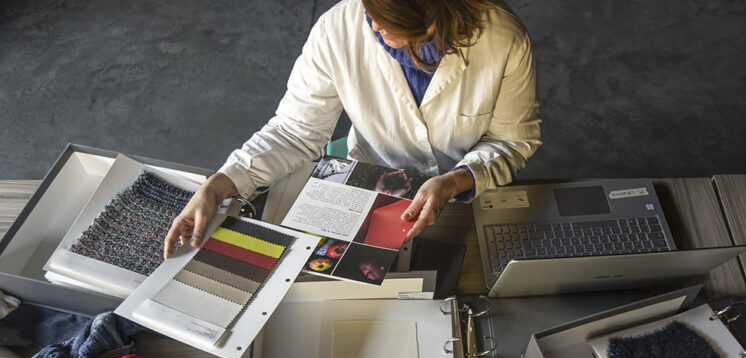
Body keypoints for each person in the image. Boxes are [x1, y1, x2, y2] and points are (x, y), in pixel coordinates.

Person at [164, 0, 541, 259]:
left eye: (391, 20)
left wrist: (457, 181)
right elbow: (296, 131)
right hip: (370, 185)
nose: (374, 26)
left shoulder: (504, 40)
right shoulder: (338, 29)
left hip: (465, 198)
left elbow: (511, 140)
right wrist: (219, 185)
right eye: (371, 10)